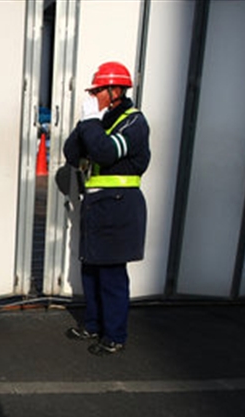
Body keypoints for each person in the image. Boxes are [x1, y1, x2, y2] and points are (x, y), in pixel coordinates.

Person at [62, 61, 151, 355]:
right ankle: (93, 324)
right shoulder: (98, 119)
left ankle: (114, 335)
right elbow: (72, 154)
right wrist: (86, 121)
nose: (94, 95)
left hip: (119, 206)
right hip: (98, 204)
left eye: (99, 90)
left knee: (111, 274)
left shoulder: (133, 122)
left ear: (116, 90)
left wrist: (91, 124)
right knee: (91, 269)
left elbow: (104, 152)